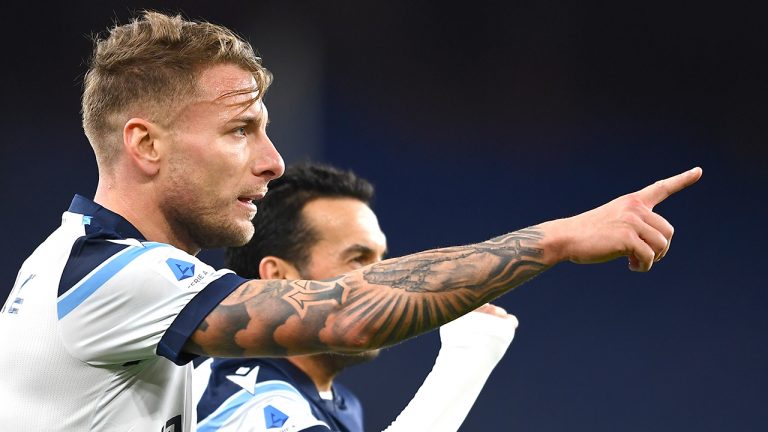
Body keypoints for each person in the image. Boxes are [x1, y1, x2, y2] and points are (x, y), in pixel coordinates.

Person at [0, 10, 701, 431]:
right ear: (146, 143)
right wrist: (554, 239)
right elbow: (349, 316)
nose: (273, 161)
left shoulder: (82, 270)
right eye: (240, 129)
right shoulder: (112, 277)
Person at [194, 162, 518, 431]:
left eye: (381, 261)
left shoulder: (337, 401)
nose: (384, 282)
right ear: (280, 278)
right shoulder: (244, 399)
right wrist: (466, 360)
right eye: (359, 259)